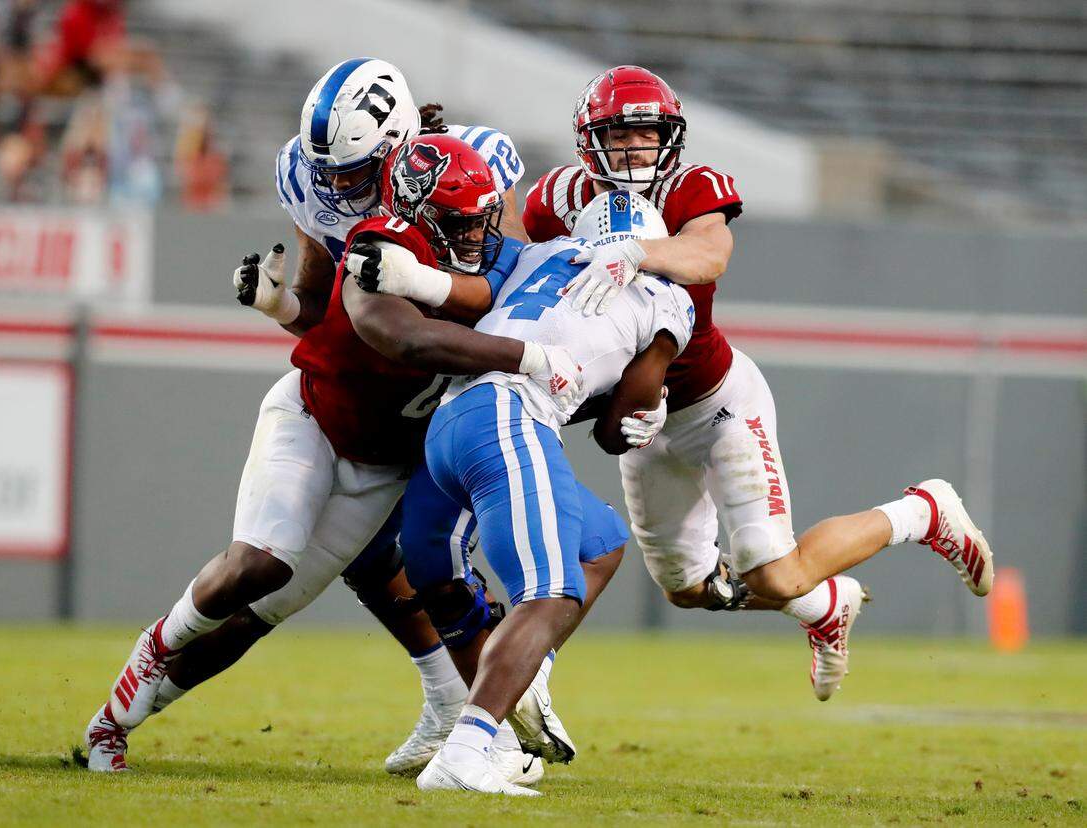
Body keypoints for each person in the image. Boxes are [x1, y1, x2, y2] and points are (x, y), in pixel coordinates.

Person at [81, 68, 552, 776]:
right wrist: (536, 356)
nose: (476, 229)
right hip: (317, 412)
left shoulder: (484, 216)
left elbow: (505, 279)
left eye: (482, 215)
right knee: (259, 564)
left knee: (266, 609)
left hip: (389, 457)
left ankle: (115, 723)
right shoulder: (373, 235)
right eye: (462, 218)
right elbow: (390, 329)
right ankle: (143, 667)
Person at [523, 66, 994, 700]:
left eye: (648, 134)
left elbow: (709, 253)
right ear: (589, 142)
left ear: (671, 136)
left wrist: (635, 252)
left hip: (716, 403)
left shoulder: (692, 186)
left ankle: (922, 511)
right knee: (687, 588)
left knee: (771, 573)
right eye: (621, 135)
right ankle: (824, 607)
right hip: (645, 421)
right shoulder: (554, 201)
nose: (637, 148)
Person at [391, 188, 694, 796]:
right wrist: (649, 408)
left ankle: (527, 676)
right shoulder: (667, 294)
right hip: (510, 415)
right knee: (551, 595)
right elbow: (618, 428)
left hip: (450, 422)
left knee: (602, 542)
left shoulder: (538, 254)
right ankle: (467, 752)